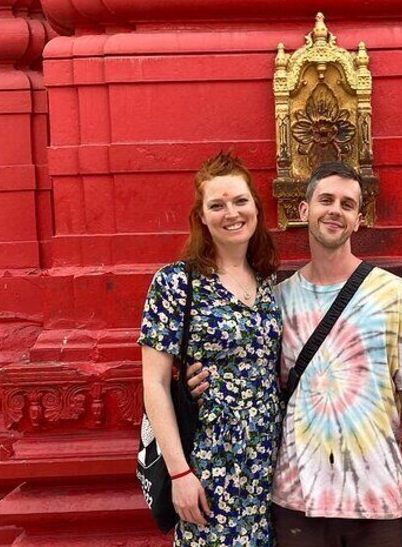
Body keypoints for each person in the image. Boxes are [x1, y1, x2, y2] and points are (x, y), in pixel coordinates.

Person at [189, 161, 402, 547]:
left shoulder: (393, 294)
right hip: (296, 502)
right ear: (304, 210)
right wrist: (195, 382)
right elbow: (248, 374)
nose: (335, 210)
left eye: (347, 204)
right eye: (326, 200)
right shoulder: (275, 301)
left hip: (377, 500)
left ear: (359, 220)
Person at [139, 151, 282, 546]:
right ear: (201, 216)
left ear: (256, 207)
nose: (231, 213)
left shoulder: (267, 281)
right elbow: (154, 383)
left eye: (240, 201)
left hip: (270, 467)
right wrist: (179, 473)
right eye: (217, 205)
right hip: (209, 467)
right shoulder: (175, 283)